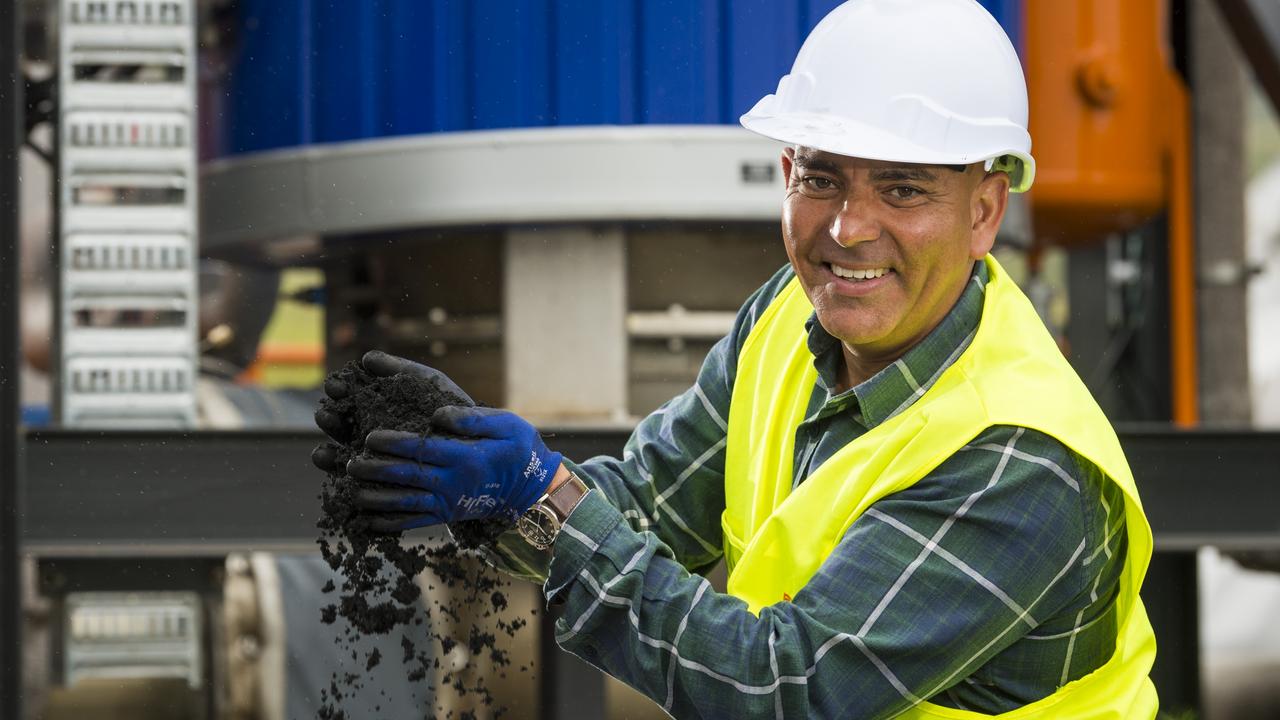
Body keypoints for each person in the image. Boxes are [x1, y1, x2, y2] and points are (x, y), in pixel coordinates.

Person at [313, 0, 1158, 717]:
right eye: (823, 179)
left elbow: (781, 687)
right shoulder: (787, 317)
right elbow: (644, 511)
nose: (848, 228)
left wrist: (547, 500)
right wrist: (491, 482)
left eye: (902, 188)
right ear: (784, 172)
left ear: (983, 212)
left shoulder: (1017, 457)